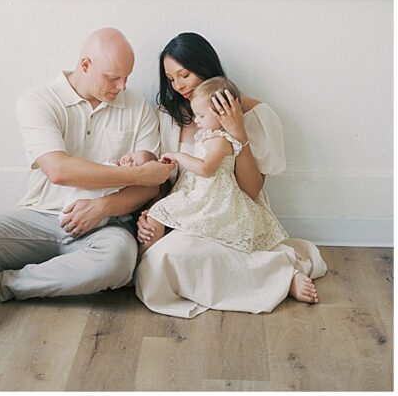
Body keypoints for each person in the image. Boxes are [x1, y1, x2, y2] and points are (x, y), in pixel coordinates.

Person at [0, 28, 175, 358]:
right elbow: (59, 170)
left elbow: (150, 186)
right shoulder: (38, 101)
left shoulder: (138, 109)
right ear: (85, 64)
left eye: (126, 77)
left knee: (119, 261)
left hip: (106, 227)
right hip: (38, 217)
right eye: (113, 78)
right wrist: (135, 173)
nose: (122, 87)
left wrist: (103, 207)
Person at [134, 32, 325, 318]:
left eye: (184, 75)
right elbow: (166, 175)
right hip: (188, 208)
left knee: (177, 257)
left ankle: (281, 276)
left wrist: (238, 133)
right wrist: (151, 213)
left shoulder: (255, 113)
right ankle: (269, 274)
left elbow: (251, 189)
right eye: (171, 79)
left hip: (233, 209)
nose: (178, 86)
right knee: (156, 262)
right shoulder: (168, 113)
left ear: (204, 66)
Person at [143, 77, 287, 255]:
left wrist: (178, 156)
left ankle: (141, 261)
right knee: (155, 215)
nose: (196, 120)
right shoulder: (207, 136)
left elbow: (205, 169)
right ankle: (141, 262)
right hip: (196, 193)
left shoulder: (221, 141)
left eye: (201, 116)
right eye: (171, 78)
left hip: (211, 197)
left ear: (222, 112)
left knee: (164, 220)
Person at [57, 150, 159, 243]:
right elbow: (57, 173)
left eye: (134, 164)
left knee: (118, 248)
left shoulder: (124, 183)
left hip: (88, 222)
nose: (128, 158)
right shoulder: (113, 166)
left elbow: (152, 186)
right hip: (61, 211)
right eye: (131, 154)